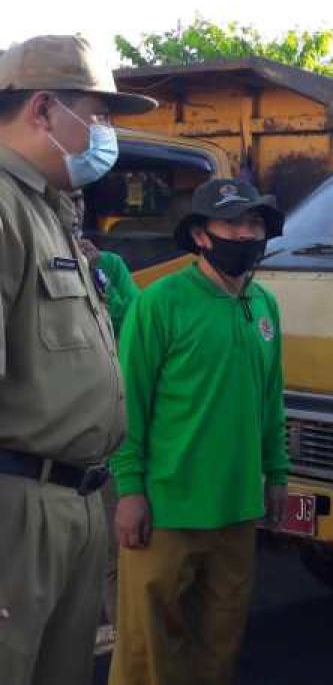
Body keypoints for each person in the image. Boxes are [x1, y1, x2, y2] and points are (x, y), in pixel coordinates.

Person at [0, 34, 157, 685]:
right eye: (97, 116)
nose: (106, 132)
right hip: (18, 514)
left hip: (73, 501)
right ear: (42, 109)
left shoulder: (51, 211)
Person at [107, 178, 289, 685]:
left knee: (218, 649)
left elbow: (270, 399)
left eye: (254, 223)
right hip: (166, 510)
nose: (246, 233)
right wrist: (129, 491)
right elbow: (128, 404)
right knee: (148, 655)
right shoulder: (159, 304)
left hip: (237, 510)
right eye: (232, 223)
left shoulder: (264, 307)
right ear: (202, 236)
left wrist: (277, 473)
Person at [67, 189, 139, 655]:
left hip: (104, 431)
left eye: (78, 199)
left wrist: (101, 285)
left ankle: (125, 643)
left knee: (115, 548)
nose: (72, 207)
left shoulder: (108, 265)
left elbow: (135, 318)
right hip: (54, 436)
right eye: (65, 198)